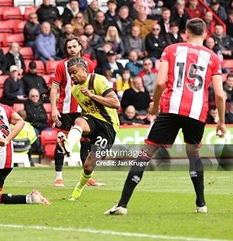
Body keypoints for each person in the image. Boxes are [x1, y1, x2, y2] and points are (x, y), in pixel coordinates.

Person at [105, 18, 226, 215]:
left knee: (145, 155)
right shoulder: (213, 57)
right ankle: (201, 204)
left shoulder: (171, 49)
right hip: (197, 113)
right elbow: (220, 94)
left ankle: (122, 205)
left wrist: (154, 107)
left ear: (185, 33)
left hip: (171, 109)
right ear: (205, 34)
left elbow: (160, 82)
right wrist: (220, 121)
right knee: (193, 154)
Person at [57, 57, 120, 201]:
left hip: (108, 126)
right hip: (92, 121)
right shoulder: (75, 89)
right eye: (70, 73)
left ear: (84, 70)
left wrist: (92, 95)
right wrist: (83, 132)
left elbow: (116, 103)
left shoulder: (98, 80)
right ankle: (67, 145)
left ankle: (78, 190)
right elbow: (85, 111)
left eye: (74, 72)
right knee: (78, 120)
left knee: (88, 166)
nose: (72, 76)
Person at [50, 35, 101, 187]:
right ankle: (58, 177)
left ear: (80, 47)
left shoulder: (89, 64)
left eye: (74, 46)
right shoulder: (61, 66)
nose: (72, 49)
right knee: (61, 141)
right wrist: (53, 108)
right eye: (69, 47)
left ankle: (87, 177)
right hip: (65, 110)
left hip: (85, 110)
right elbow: (54, 88)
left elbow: (93, 85)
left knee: (86, 143)